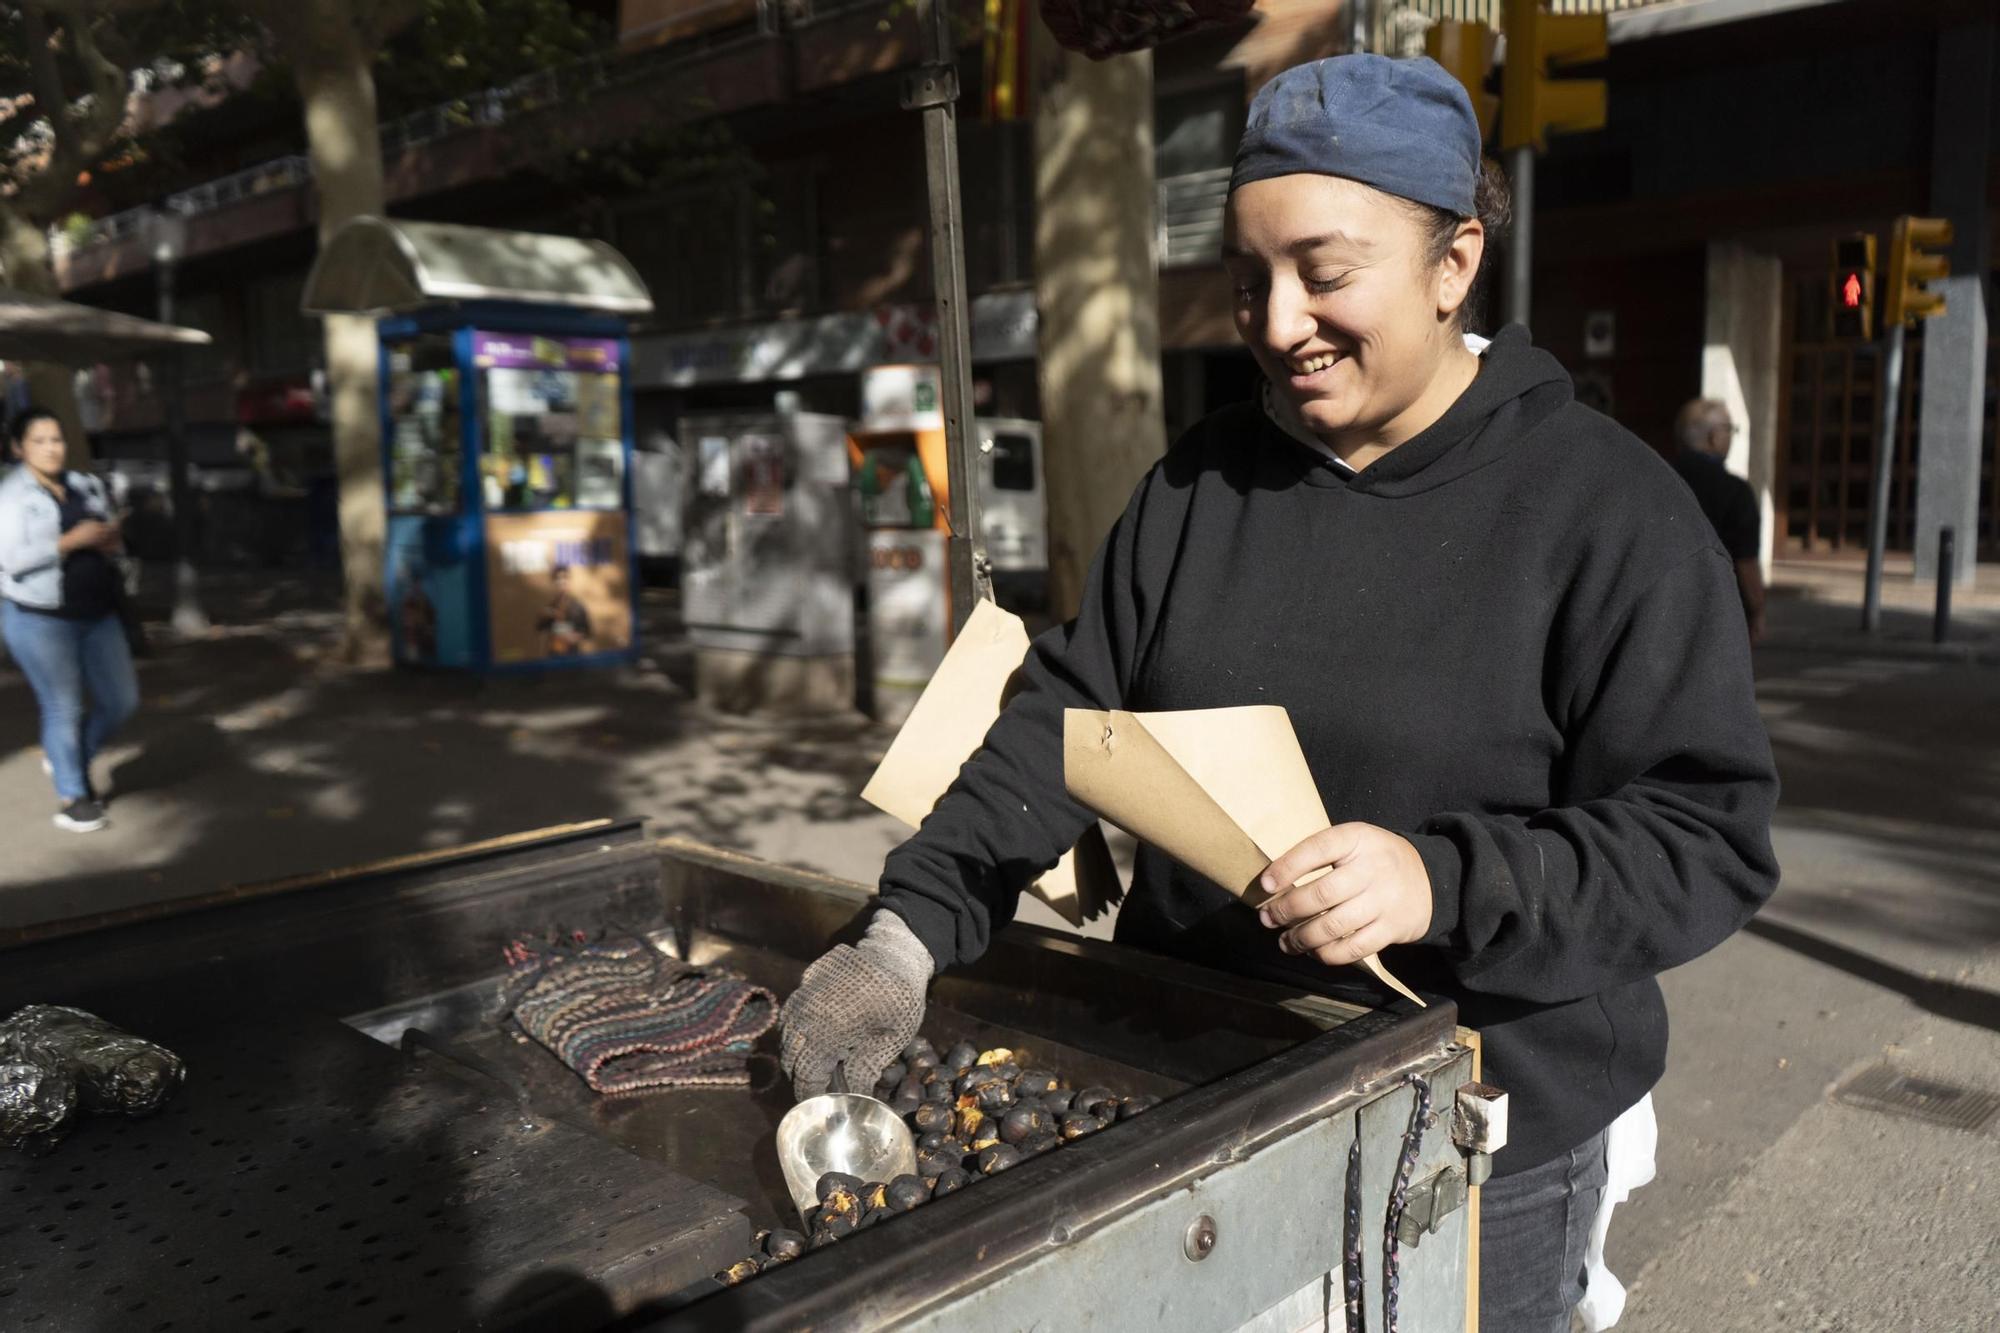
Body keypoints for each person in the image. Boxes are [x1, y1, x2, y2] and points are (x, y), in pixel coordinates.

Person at [778, 54, 1778, 1333]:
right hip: (1199, 1099)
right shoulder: (1196, 484)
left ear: (1453, 262)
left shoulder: (1608, 510)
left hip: (1479, 1142)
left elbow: (1700, 838)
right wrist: (906, 932)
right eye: (1248, 279)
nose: (1277, 319)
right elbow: (1065, 722)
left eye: (1323, 271)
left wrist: (1438, 882)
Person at [0, 406, 141, 832]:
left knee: (121, 701)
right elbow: (9, 560)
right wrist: (67, 542)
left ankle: (68, 759)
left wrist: (109, 540)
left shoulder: (83, 484)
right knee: (64, 705)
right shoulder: (11, 495)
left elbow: (103, 534)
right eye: (39, 441)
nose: (51, 449)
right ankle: (74, 798)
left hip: (98, 612)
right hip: (39, 617)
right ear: (18, 448)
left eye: (56, 439)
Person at [1673, 398, 1766, 641]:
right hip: (1720, 612)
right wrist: (1757, 609)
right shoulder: (1735, 491)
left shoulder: (1659, 479)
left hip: (1666, 605)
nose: (1731, 437)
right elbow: (1746, 560)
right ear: (1714, 436)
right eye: (1730, 429)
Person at [534, 564, 592, 656]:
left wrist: (572, 637)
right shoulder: (550, 607)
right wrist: (542, 617)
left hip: (572, 657)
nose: (561, 582)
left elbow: (587, 633)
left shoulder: (577, 607)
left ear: (569, 582)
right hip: (554, 656)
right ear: (553, 583)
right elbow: (540, 630)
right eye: (558, 579)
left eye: (565, 578)